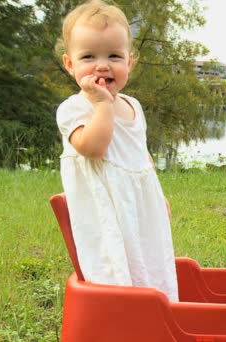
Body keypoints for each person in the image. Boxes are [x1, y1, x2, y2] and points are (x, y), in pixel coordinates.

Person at [55, 0, 178, 301]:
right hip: (105, 211)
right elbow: (94, 148)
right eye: (88, 56)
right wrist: (101, 105)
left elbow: (139, 154)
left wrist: (155, 195)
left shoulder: (133, 107)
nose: (102, 65)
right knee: (116, 273)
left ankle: (157, 319)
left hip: (138, 208)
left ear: (129, 62)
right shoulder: (74, 109)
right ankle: (123, 321)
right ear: (70, 64)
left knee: (151, 265)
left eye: (114, 55)